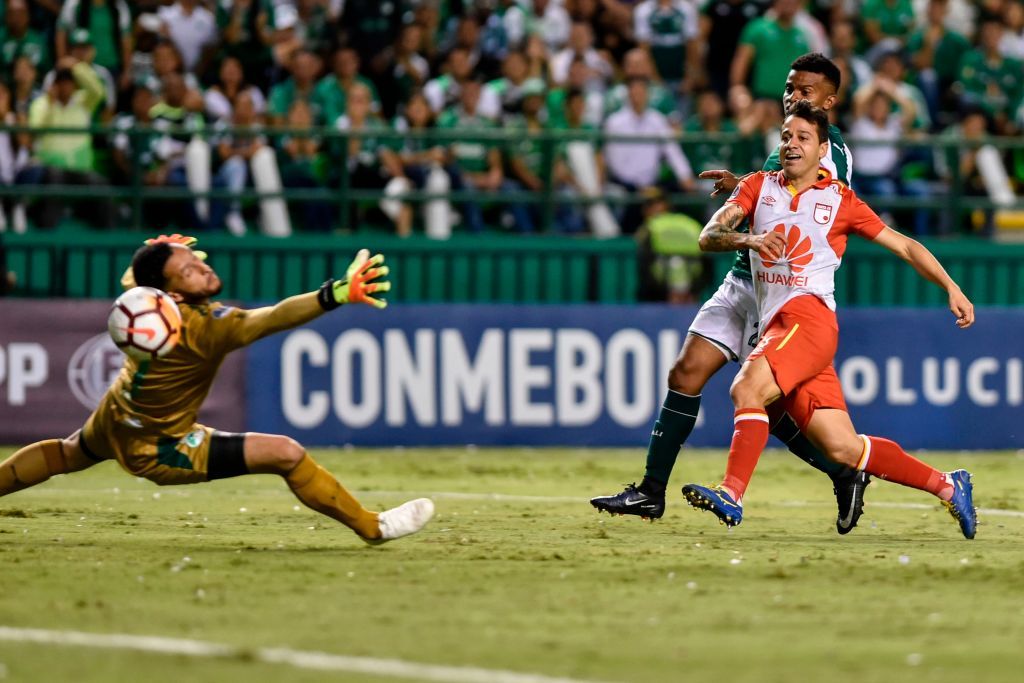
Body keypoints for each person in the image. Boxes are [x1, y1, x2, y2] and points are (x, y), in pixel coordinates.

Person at [0, 237, 435, 545]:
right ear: (172, 292)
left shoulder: (149, 304)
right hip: (161, 445)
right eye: (189, 269)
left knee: (64, 454)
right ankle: (372, 527)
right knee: (286, 454)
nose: (203, 267)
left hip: (117, 413)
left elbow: (135, 279)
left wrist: (160, 255)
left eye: (197, 259)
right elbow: (272, 318)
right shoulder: (206, 326)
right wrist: (334, 293)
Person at [591, 54, 867, 535]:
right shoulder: (786, 141)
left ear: (829, 101)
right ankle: (651, 492)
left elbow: (814, 207)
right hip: (743, 277)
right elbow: (782, 195)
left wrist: (751, 206)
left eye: (804, 91)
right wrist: (742, 186)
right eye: (788, 87)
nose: (792, 97)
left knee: (776, 412)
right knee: (686, 370)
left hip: (779, 291)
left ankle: (845, 472)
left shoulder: (832, 152)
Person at [680, 101, 977, 540]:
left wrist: (951, 286)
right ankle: (949, 485)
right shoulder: (758, 187)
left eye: (802, 138)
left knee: (746, 388)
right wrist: (751, 238)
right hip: (780, 327)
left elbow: (905, 246)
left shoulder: (840, 200)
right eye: (785, 136)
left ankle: (732, 492)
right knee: (842, 447)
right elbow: (708, 236)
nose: (791, 144)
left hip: (808, 319)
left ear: (823, 150)